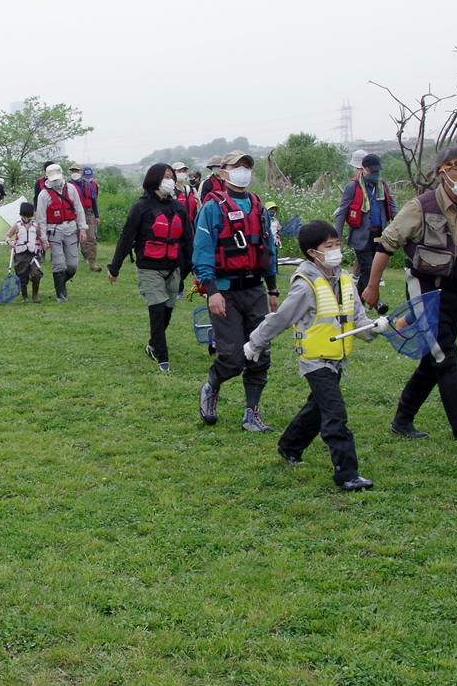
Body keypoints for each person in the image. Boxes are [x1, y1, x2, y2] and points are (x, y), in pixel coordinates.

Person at [361, 145, 457, 458]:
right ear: (443, 172)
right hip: (425, 288)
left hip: (456, 291)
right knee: (446, 357)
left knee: (432, 359)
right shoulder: (420, 207)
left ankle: (402, 419)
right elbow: (386, 246)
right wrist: (372, 287)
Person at [244, 221, 377, 490]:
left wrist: (378, 327)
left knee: (317, 409)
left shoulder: (346, 280)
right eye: (328, 246)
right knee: (335, 414)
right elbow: (281, 318)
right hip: (314, 361)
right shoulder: (305, 286)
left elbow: (360, 321)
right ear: (311, 252)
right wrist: (255, 342)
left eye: (337, 244)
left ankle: (289, 446)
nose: (336, 250)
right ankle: (347, 473)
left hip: (337, 359)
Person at [192, 151, 279, 431]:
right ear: (223, 172)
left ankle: (251, 412)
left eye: (247, 167)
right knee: (232, 356)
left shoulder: (258, 205)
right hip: (225, 291)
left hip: (254, 290)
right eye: (236, 166)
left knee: (259, 353)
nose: (243, 171)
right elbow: (203, 251)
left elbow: (268, 249)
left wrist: (273, 288)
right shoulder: (213, 206)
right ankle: (212, 385)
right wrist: (212, 290)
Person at [108, 162, 192, 371]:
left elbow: (189, 240)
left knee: (166, 312)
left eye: (171, 176)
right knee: (156, 310)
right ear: (154, 179)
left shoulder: (178, 208)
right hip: (149, 267)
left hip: (174, 267)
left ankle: (153, 344)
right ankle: (162, 358)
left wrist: (192, 267)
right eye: (165, 176)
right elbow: (127, 237)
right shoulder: (141, 207)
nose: (170, 180)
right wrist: (114, 267)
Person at [336, 153, 396, 303]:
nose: (375, 174)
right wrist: (337, 238)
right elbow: (342, 212)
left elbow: (392, 206)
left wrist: (400, 225)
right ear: (364, 169)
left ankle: (355, 302)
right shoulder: (352, 187)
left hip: (379, 233)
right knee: (368, 269)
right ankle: (374, 301)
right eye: (372, 171)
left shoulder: (382, 185)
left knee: (367, 271)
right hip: (361, 235)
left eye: (377, 171)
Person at [36, 162, 89, 303]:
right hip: (54, 231)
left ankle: (63, 281)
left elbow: (79, 209)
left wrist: (82, 229)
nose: (56, 182)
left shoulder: (71, 189)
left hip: (71, 229)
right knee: (58, 263)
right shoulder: (43, 195)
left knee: (73, 264)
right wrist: (43, 238)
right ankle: (60, 294)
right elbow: (41, 218)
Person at [7, 200, 47, 303]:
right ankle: (25, 297)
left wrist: (45, 243)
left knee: (36, 274)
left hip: (34, 254)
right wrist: (9, 242)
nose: (26, 219)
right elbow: (7, 235)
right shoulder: (17, 225)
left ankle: (35, 295)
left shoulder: (36, 225)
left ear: (33, 215)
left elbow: (42, 236)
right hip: (21, 254)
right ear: (20, 215)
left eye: (29, 217)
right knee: (22, 276)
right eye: (24, 216)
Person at [74, 164, 104, 272]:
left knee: (91, 238)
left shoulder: (88, 185)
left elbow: (93, 201)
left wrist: (96, 215)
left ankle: (92, 263)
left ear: (81, 172)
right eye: (73, 171)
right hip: (74, 214)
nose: (75, 173)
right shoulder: (68, 186)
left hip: (87, 213)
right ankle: (72, 263)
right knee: (73, 240)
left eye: (77, 170)